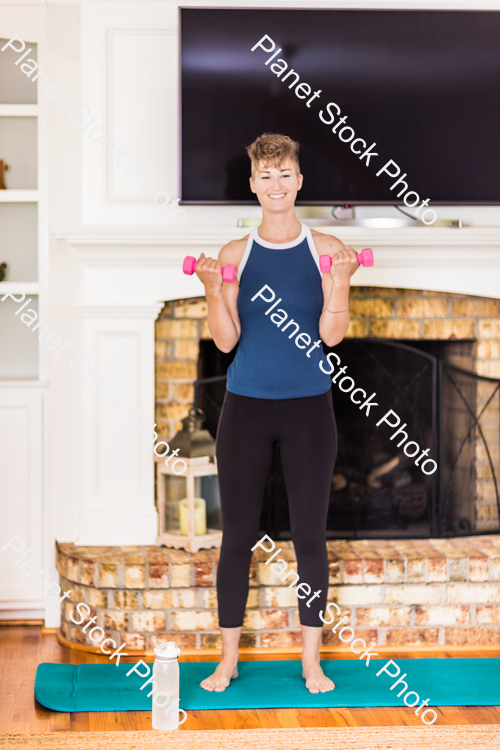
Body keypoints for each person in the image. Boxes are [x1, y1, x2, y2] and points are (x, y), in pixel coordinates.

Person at [196, 133, 360, 694]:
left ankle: (312, 661)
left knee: (310, 536)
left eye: (285, 173)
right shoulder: (233, 256)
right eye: (265, 176)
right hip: (245, 408)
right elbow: (224, 342)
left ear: (299, 180)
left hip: (309, 410)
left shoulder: (326, 248)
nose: (276, 184)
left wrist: (338, 283)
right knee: (236, 536)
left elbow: (331, 336)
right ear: (252, 185)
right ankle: (227, 660)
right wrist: (214, 292)